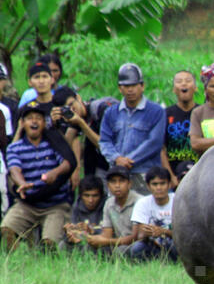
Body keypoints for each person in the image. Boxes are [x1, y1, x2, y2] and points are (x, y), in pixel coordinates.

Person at [1, 103, 76, 251]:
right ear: (22, 123)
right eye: (30, 118)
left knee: (49, 243)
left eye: (38, 118)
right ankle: (14, 264)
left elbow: (67, 163)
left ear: (44, 123)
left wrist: (55, 172)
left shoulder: (54, 143)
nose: (34, 122)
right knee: (6, 229)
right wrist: (22, 183)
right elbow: (14, 168)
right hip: (27, 204)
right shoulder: (14, 147)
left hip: (56, 205)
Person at [98, 63, 166, 196]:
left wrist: (128, 160)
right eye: (126, 86)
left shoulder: (156, 111)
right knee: (116, 212)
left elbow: (154, 142)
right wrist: (116, 158)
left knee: (145, 213)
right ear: (119, 88)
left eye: (134, 85)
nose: (130, 90)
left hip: (145, 173)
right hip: (117, 174)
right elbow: (105, 141)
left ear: (142, 86)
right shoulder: (111, 112)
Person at [82, 165, 139, 255]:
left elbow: (136, 237)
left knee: (120, 251)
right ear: (108, 185)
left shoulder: (139, 202)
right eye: (113, 182)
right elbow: (106, 235)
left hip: (137, 245)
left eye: (122, 181)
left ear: (129, 184)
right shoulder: (109, 203)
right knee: (89, 247)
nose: (117, 185)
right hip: (118, 243)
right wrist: (90, 238)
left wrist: (107, 241)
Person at [128, 167, 176, 262]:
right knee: (136, 248)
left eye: (162, 183)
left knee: (177, 245)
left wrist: (163, 231)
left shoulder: (178, 200)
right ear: (148, 186)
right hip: (152, 243)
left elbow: (184, 233)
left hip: (174, 242)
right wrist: (149, 233)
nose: (159, 188)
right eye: (154, 184)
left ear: (169, 185)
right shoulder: (142, 203)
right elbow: (140, 235)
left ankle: (181, 265)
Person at [161, 70, 199, 187]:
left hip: (199, 174)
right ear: (174, 89)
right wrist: (170, 176)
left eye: (188, 81)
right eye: (179, 81)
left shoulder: (202, 112)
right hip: (174, 176)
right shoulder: (166, 114)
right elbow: (161, 149)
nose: (184, 84)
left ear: (195, 88)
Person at [62, 175, 105, 251]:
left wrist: (91, 231)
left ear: (101, 196)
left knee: (87, 248)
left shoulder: (107, 206)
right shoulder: (77, 206)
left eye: (95, 196)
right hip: (81, 241)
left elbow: (111, 234)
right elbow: (74, 231)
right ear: (80, 196)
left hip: (101, 244)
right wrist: (69, 232)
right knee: (62, 245)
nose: (90, 200)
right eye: (86, 195)